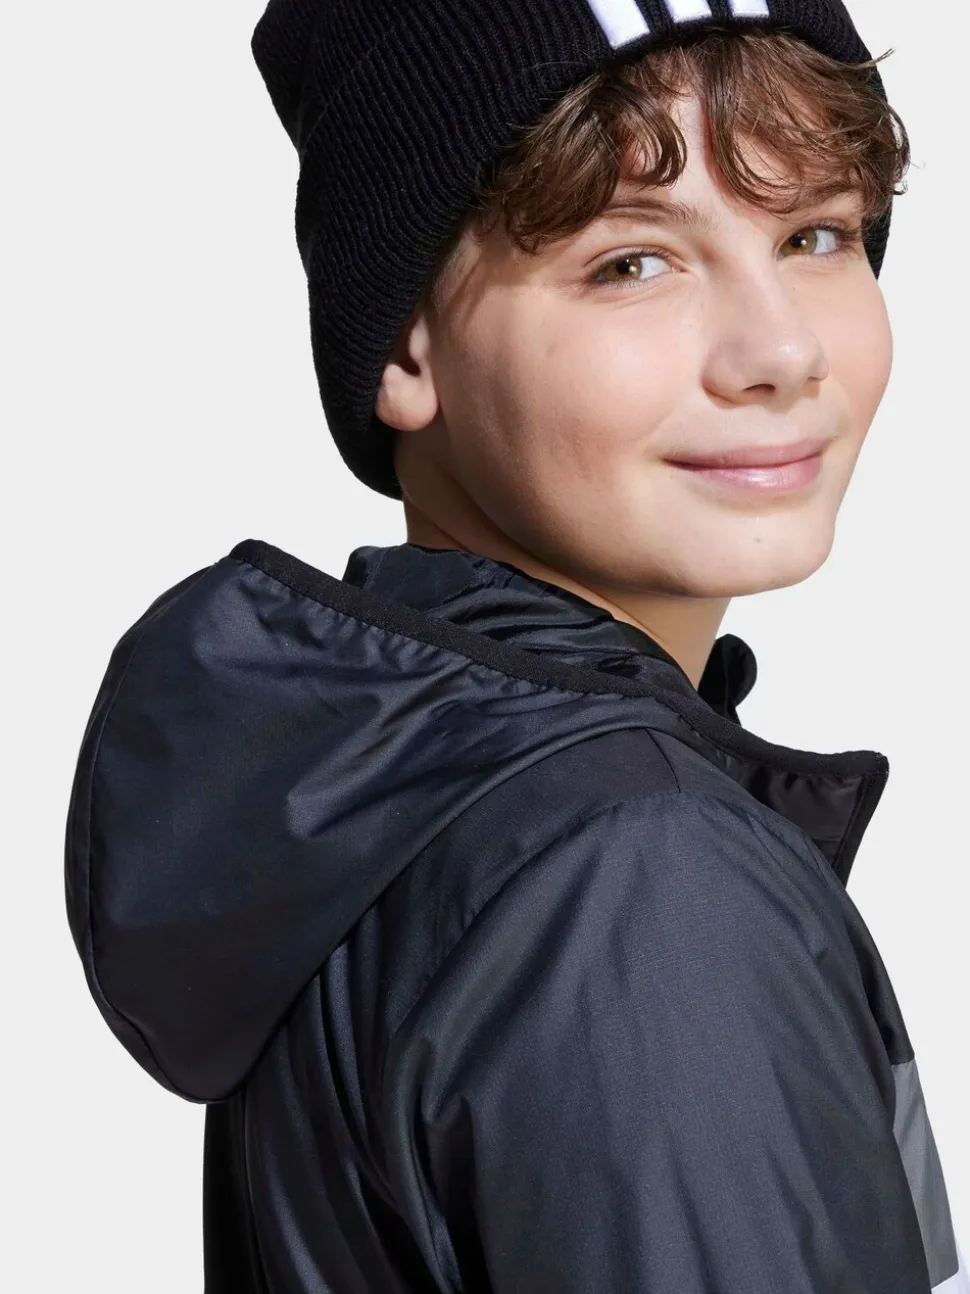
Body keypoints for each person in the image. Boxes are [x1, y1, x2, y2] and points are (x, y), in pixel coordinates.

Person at [63, 2, 967, 1291]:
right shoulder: (636, 881)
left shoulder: (403, 804)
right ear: (405, 346)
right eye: (632, 263)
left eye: (814, 234)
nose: (781, 351)